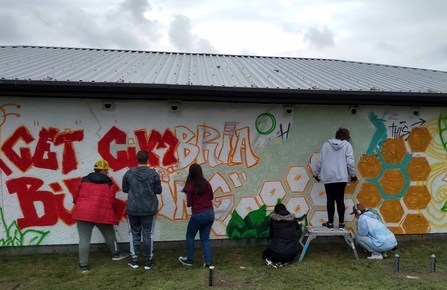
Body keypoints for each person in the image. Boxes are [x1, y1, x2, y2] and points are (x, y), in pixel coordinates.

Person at [72, 159, 129, 273]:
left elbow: (76, 196)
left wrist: (80, 205)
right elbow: (112, 201)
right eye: (107, 171)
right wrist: (113, 212)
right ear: (104, 171)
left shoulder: (83, 180)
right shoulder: (109, 184)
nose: (108, 173)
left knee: (84, 239)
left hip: (82, 213)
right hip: (101, 214)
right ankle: (116, 254)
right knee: (109, 234)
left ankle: (83, 266)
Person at [122, 150, 162, 270]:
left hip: (133, 208)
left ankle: (134, 260)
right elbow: (158, 190)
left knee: (134, 234)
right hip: (149, 209)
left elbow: (125, 189)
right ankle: (148, 261)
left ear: (136, 159)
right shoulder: (153, 174)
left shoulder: (129, 173)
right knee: (148, 235)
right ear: (147, 159)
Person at [312, 127, 357, 229]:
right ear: (347, 136)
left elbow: (319, 160)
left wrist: (316, 173)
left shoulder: (326, 144)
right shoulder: (347, 145)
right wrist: (353, 175)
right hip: (341, 176)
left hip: (328, 176)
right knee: (340, 199)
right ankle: (341, 223)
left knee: (330, 199)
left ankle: (330, 223)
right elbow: (350, 162)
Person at [178, 163, 215, 268]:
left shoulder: (190, 186)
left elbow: (189, 203)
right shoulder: (206, 183)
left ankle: (189, 259)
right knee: (205, 238)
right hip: (210, 213)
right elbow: (211, 197)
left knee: (190, 235)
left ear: (190, 173)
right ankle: (208, 263)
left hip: (198, 214)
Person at [262, 203, 301, 268]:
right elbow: (298, 227)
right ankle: (286, 261)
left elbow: (271, 234)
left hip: (276, 252)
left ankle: (274, 262)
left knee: (265, 253)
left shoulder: (273, 220)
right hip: (292, 253)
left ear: (275, 211)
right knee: (290, 251)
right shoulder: (292, 219)